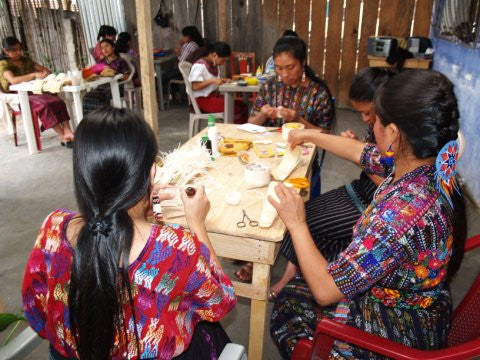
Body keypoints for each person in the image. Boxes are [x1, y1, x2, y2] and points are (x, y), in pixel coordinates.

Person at [269, 69, 467, 359]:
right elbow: (358, 152)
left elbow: (325, 290)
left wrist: (297, 222)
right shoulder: (425, 165)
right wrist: (307, 134)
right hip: (417, 301)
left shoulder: (400, 215)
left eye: (376, 121)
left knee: (290, 305)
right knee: (302, 283)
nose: (371, 127)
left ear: (394, 134)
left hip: (396, 332)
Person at [22, 107, 236, 359]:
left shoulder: (53, 227)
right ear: (151, 172)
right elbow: (220, 302)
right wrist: (197, 223)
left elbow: (35, 309)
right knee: (209, 330)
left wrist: (141, 209)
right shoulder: (176, 248)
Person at [266, 67, 393, 299]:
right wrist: (354, 147)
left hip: (371, 203)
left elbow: (385, 179)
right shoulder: (383, 129)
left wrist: (356, 155)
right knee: (304, 215)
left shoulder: (403, 208)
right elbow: (368, 157)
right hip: (362, 190)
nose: (366, 120)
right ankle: (302, 272)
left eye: (368, 113)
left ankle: (314, 276)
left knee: (302, 224)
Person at [248, 35, 334, 131]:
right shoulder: (268, 87)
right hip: (269, 145)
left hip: (302, 145)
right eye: (279, 68)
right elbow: (251, 124)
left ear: (303, 62)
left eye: (290, 67)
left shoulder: (319, 94)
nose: (284, 74)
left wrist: (297, 119)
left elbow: (324, 134)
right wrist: (263, 115)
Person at [0, 36, 74, 147]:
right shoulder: (3, 64)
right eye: (14, 50)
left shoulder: (26, 60)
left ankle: (67, 130)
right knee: (44, 104)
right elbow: (13, 80)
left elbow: (47, 71)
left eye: (19, 49)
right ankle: (61, 134)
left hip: (33, 90)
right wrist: (33, 74)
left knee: (57, 100)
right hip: (19, 95)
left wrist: (44, 73)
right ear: (6, 51)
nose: (18, 52)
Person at [188, 41, 248, 124]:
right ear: (215, 55)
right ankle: (234, 132)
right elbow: (195, 86)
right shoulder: (199, 66)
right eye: (223, 60)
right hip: (203, 101)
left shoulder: (213, 65)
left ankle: (245, 130)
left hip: (214, 97)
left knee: (242, 106)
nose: (223, 63)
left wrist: (223, 80)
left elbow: (210, 80)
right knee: (234, 108)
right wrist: (212, 81)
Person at [82, 39, 131, 115]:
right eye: (102, 48)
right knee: (87, 97)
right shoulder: (102, 62)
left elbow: (126, 77)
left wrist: (116, 74)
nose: (104, 50)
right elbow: (94, 73)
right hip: (102, 87)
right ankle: (91, 121)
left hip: (115, 87)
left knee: (99, 98)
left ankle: (104, 120)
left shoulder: (120, 61)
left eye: (107, 46)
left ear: (113, 47)